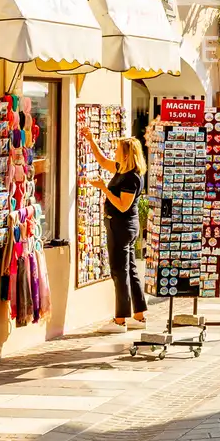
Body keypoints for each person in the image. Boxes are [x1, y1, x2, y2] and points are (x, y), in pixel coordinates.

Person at [80, 125, 148, 332]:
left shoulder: (132, 178)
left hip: (121, 226)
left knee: (119, 271)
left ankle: (120, 319)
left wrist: (103, 189)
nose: (115, 152)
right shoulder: (122, 169)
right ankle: (139, 315)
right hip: (122, 226)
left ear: (127, 154)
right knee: (130, 270)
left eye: (118, 149)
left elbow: (122, 205)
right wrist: (91, 140)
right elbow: (102, 161)